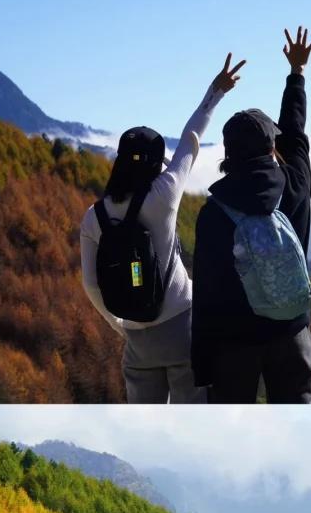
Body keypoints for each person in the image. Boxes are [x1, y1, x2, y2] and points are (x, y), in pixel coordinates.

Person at [80, 55, 245, 403]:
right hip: (184, 327)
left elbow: (91, 284)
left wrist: (122, 325)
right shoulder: (164, 193)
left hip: (137, 340)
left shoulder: (93, 217)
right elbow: (191, 139)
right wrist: (216, 91)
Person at [191, 27, 311, 404]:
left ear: (228, 154)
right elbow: (295, 133)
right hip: (292, 334)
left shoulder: (214, 213)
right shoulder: (296, 183)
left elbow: (207, 295)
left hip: (234, 346)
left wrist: (202, 366)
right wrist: (297, 73)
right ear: (271, 146)